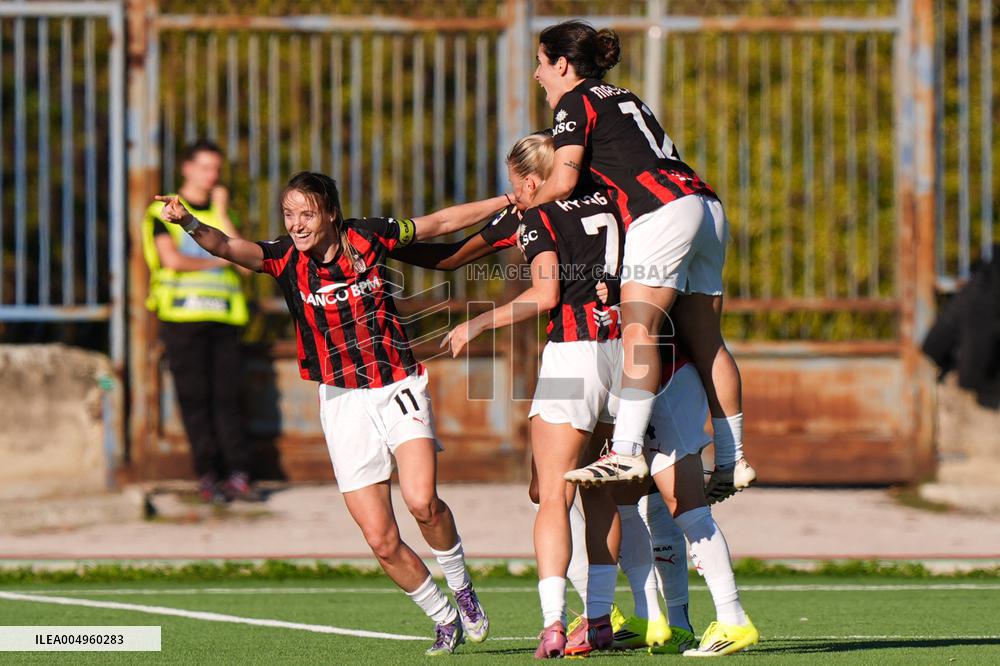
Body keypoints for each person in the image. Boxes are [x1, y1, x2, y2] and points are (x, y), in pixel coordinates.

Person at [153, 171, 510, 656]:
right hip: (341, 401)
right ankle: (443, 616)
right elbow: (225, 245)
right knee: (381, 540)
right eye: (288, 214)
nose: (296, 225)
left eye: (306, 214)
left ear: (330, 214)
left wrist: (508, 199)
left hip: (397, 384)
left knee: (422, 500)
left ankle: (463, 588)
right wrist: (187, 222)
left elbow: (439, 222)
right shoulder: (282, 258)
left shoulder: (367, 236)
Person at [528, 20, 755, 498]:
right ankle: (733, 460)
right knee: (707, 340)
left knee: (638, 327)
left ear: (562, 64)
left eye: (540, 63)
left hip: (662, 212)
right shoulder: (623, 95)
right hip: (704, 205)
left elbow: (565, 180)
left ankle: (626, 449)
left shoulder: (576, 100)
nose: (537, 75)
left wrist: (525, 206)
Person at [441, 132, 624, 658]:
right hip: (621, 355)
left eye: (513, 185)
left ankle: (552, 625)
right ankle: (599, 621)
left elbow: (545, 295)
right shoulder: (608, 200)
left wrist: (480, 323)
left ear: (529, 180)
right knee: (598, 490)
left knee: (552, 493)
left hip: (574, 355)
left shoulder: (540, 216)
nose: (513, 196)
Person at [141, 139, 258, 503]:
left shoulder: (225, 213)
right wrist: (217, 261)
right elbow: (172, 260)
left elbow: (246, 260)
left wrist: (221, 212)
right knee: (195, 399)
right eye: (206, 167)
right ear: (187, 168)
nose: (212, 176)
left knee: (229, 398)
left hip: (224, 319)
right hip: (182, 317)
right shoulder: (162, 212)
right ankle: (208, 475)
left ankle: (238, 475)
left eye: (217, 169)